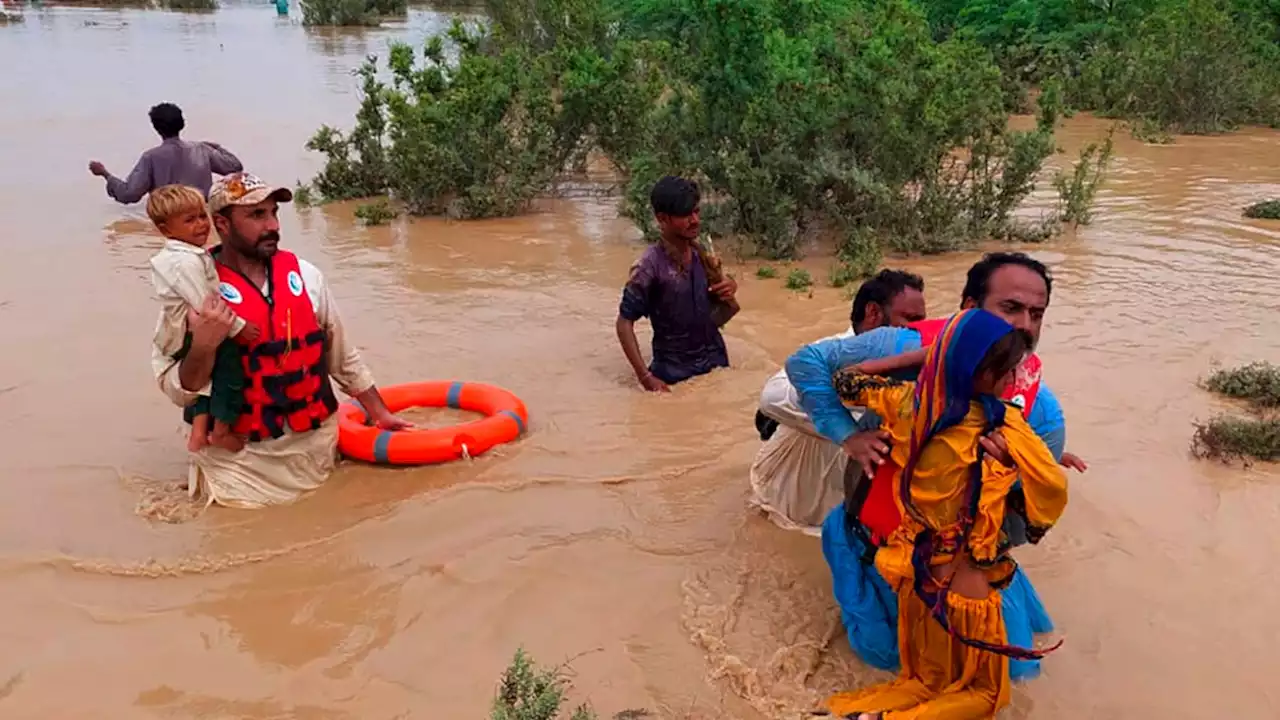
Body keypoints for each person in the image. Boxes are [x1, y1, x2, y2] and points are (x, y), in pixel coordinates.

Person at [786, 252, 1085, 680]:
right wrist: (847, 434)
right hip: (871, 539)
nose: (1024, 326)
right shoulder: (899, 346)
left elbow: (1026, 528)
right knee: (880, 657)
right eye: (1010, 308)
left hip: (958, 567)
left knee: (1017, 675)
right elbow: (805, 363)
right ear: (967, 309)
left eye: (1036, 314)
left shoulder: (1040, 415)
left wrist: (1005, 480)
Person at [820, 309, 1068, 720]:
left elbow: (845, 378)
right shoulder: (1001, 424)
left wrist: (928, 357)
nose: (1011, 382)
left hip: (916, 571)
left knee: (926, 679)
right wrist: (1026, 510)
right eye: (1004, 371)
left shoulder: (906, 405)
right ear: (979, 371)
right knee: (988, 695)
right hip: (965, 580)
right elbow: (1053, 488)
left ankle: (857, 715)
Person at [151, 172, 410, 508]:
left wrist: (380, 414)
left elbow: (342, 359)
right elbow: (178, 388)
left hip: (314, 451)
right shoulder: (192, 290)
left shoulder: (306, 276)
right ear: (222, 224)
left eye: (274, 213)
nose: (272, 225)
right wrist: (203, 345)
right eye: (256, 215)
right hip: (241, 466)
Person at [747, 269, 926, 535]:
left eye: (922, 321)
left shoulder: (916, 362)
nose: (918, 330)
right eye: (910, 320)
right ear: (874, 313)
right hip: (784, 506)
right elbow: (771, 398)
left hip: (855, 515)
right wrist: (847, 431)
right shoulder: (827, 354)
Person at [146, 184, 260, 453]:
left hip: (181, 330)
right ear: (166, 230)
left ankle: (198, 433)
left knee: (204, 376)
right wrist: (240, 328)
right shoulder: (183, 263)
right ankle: (221, 430)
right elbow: (206, 306)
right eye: (189, 220)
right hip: (188, 330)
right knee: (229, 367)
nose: (201, 225)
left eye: (201, 216)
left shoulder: (186, 255)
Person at [616, 176, 740, 391]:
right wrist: (645, 378)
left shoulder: (703, 253)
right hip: (673, 376)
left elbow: (719, 312)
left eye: (696, 212)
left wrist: (730, 286)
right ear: (662, 218)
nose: (695, 220)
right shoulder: (648, 268)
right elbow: (624, 324)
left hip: (716, 364)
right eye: (685, 215)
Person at [89, 102, 243, 204]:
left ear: (156, 128)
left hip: (171, 218)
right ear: (183, 123)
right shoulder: (201, 149)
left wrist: (105, 174)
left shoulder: (151, 157)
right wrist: (217, 147)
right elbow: (234, 167)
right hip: (200, 213)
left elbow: (129, 194)